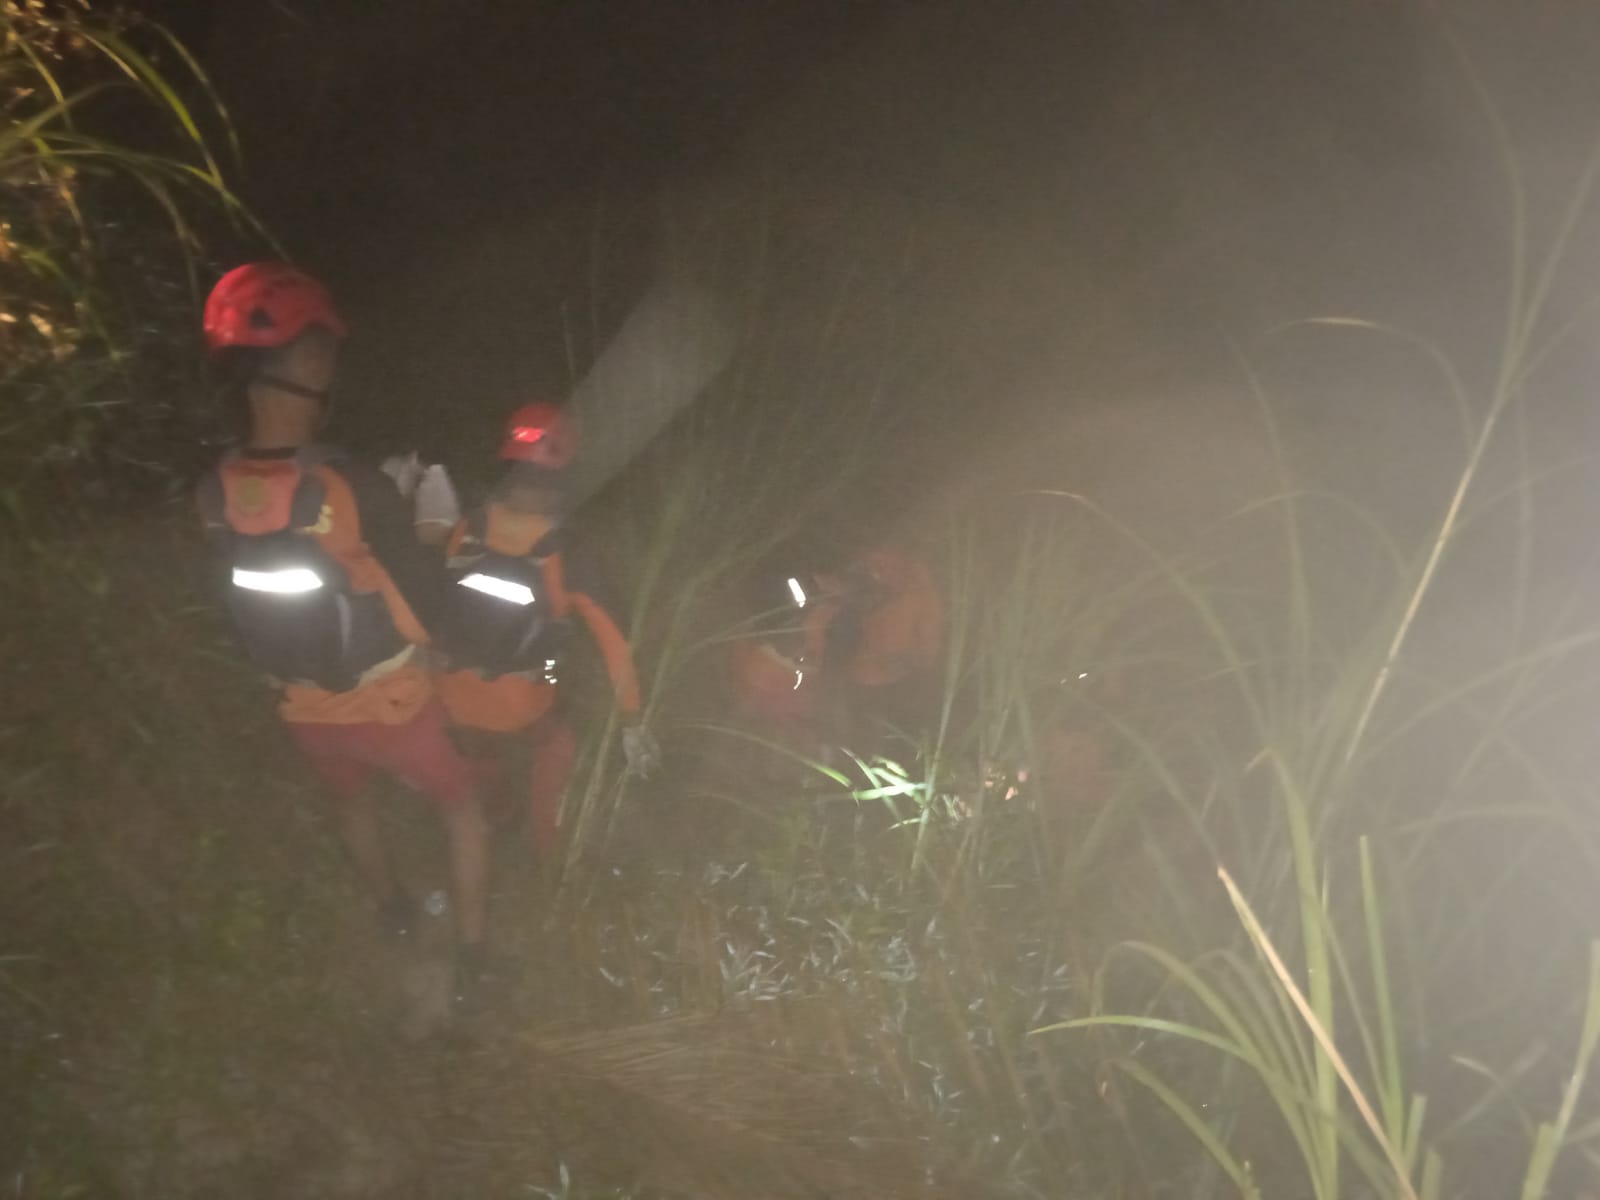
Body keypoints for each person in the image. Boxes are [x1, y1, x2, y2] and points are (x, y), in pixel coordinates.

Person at [195, 262, 491, 999]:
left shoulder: (210, 491)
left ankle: (392, 911)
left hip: (301, 709)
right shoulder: (353, 485)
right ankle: (474, 957)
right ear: (312, 361)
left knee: (350, 800)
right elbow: (430, 615)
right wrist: (430, 528)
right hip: (391, 706)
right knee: (464, 808)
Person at [432, 400, 658, 856]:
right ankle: (547, 850)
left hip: (452, 696)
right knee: (558, 743)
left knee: (479, 747)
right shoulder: (568, 550)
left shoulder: (466, 528)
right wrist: (633, 723)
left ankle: (496, 810)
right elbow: (614, 644)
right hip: (523, 704)